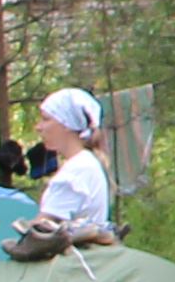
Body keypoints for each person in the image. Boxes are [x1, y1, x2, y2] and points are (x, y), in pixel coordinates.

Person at [24, 88, 121, 247]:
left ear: (66, 124)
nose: (38, 127)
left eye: (46, 119)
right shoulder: (84, 163)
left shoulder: (78, 169)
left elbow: (42, 228)